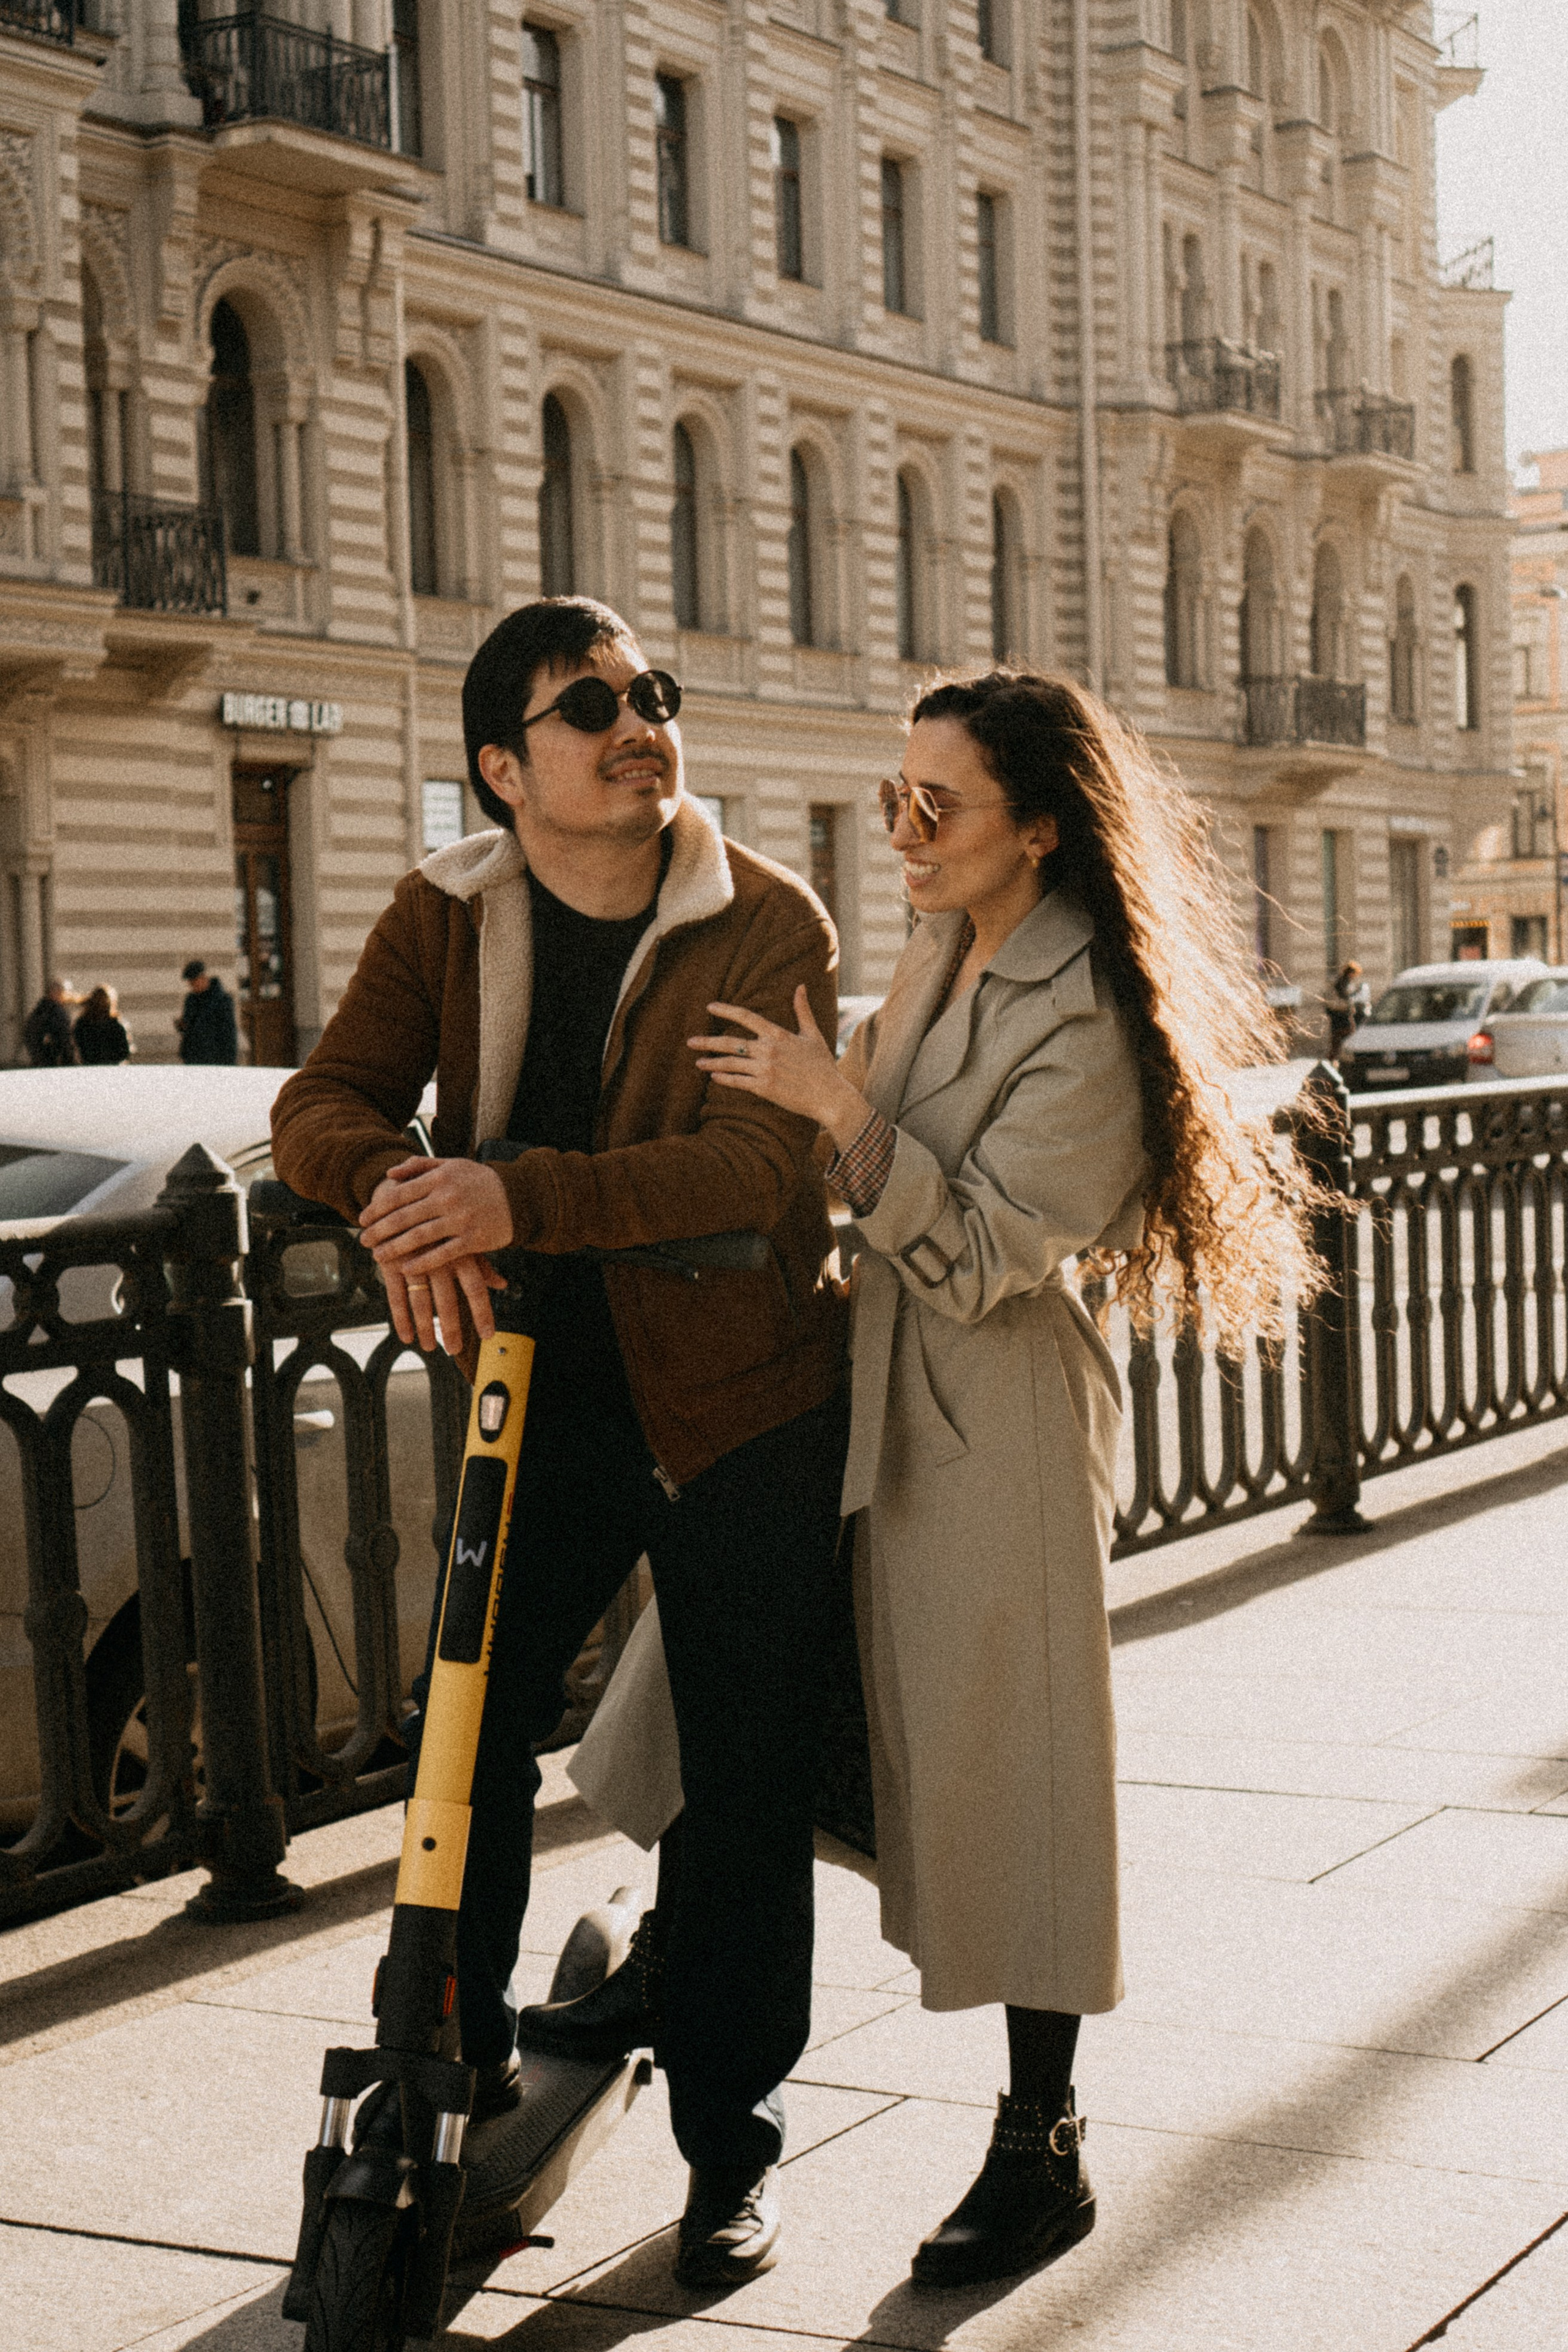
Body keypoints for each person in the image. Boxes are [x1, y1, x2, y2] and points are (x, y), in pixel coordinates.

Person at [562, 670, 1320, 2290]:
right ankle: (679, 1955)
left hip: (994, 1425)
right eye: (893, 796)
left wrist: (840, 1103)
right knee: (731, 1679)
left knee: (1010, 1780)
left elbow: (985, 1255)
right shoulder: (942, 941)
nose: (900, 832)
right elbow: (871, 1176)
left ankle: (1041, 2145)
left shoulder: (1091, 1009)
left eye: (935, 807)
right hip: (861, 1381)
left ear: (1037, 832)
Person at [269, 597, 848, 2290]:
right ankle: (450, 2088)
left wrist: (512, 1189)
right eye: (591, 705)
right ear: (502, 770)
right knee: (469, 1751)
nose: (637, 722)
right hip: (543, 1400)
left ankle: (730, 2152)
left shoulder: (760, 916)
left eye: (651, 692)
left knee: (740, 1789)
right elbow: (322, 1102)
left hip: (747, 1399)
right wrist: (399, 1194)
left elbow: (760, 1171)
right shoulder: (447, 913)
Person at [175, 959, 238, 1064]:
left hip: (215, 1058)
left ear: (203, 978)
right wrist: (182, 1026)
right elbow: (188, 1029)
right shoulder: (191, 1000)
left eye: (194, 983)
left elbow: (228, 1033)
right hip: (193, 1058)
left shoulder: (222, 1001)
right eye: (190, 983)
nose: (192, 986)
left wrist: (229, 1061)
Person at [22, 978, 78, 1067]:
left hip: (40, 1059)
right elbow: (64, 1037)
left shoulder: (39, 1011)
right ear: (58, 993)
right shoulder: (57, 1013)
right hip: (55, 1060)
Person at [74, 984, 133, 1066]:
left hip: (90, 1067)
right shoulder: (116, 1024)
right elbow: (125, 1051)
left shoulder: (83, 1023)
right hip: (112, 1067)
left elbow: (78, 1045)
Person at [1325, 960, 1371, 1061]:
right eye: (1355, 974)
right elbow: (1344, 996)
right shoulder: (1342, 981)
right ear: (1351, 973)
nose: (1355, 977)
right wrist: (1357, 993)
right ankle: (1336, 1058)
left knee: (1339, 1037)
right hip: (1339, 1013)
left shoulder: (1344, 981)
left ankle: (1336, 1058)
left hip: (1341, 1012)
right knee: (1344, 1034)